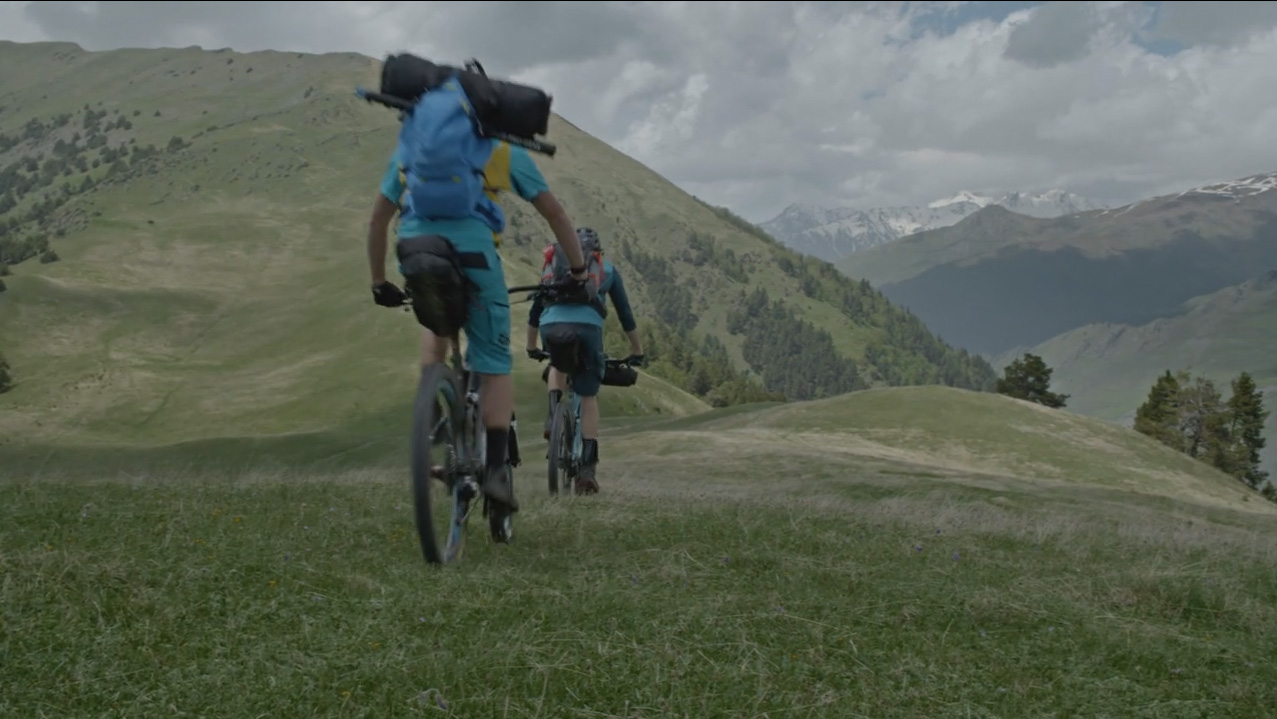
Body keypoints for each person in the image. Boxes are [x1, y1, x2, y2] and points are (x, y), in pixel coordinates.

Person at [366, 138, 588, 513]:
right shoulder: (499, 149)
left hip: (417, 252)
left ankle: (435, 406)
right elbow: (555, 213)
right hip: (476, 257)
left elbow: (378, 219)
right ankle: (497, 472)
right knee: (493, 361)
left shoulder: (411, 146)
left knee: (436, 320)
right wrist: (579, 270)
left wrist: (378, 281)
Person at [525, 227, 644, 494]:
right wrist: (637, 351)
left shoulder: (551, 267)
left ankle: (551, 417)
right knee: (588, 397)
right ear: (597, 253)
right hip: (588, 329)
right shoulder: (607, 270)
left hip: (550, 326)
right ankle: (587, 470)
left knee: (556, 363)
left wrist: (532, 347)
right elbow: (625, 315)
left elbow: (535, 311)